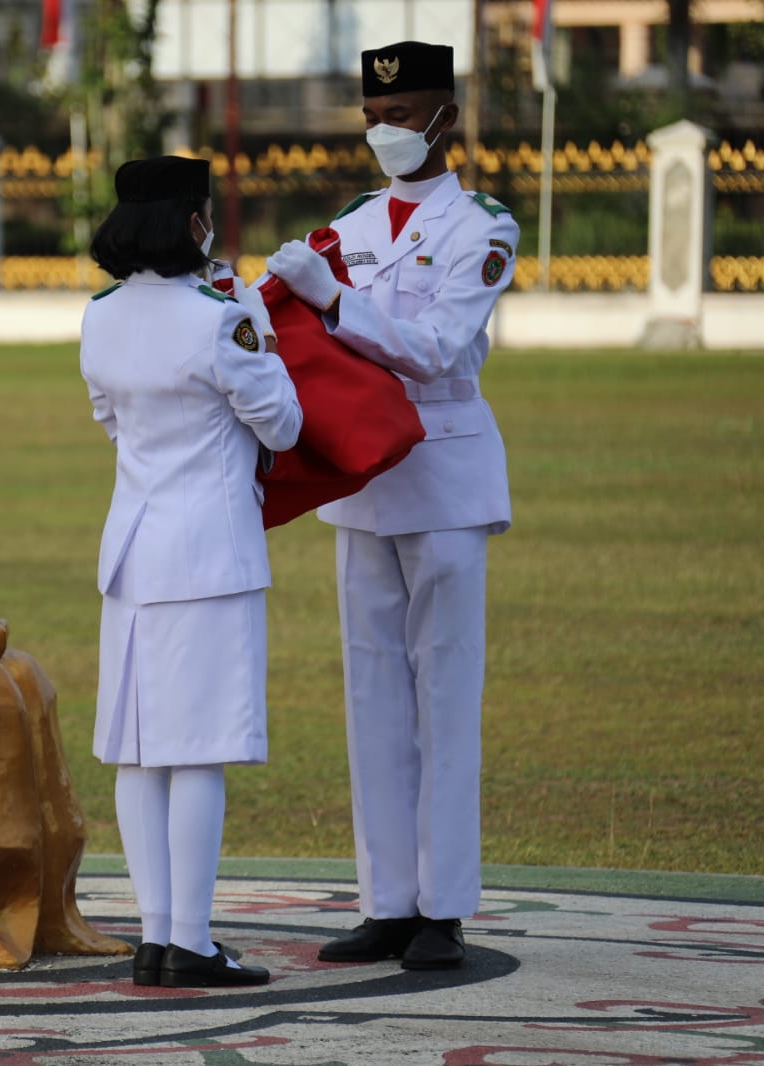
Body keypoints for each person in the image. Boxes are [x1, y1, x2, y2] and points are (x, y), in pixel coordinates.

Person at [263, 41, 518, 970]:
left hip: (444, 470)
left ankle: (442, 908)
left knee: (443, 693)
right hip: (359, 475)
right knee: (372, 694)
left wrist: (336, 304)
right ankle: (386, 903)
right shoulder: (353, 223)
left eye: (402, 115)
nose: (384, 132)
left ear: (445, 118)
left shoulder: (481, 227)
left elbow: (441, 347)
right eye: (373, 116)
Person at [80, 156, 303, 988]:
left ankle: (154, 936)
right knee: (196, 752)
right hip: (208, 550)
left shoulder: (98, 315)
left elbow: (110, 421)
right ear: (193, 223)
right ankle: (193, 942)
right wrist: (256, 318)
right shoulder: (219, 317)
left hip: (133, 549)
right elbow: (280, 426)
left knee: (139, 754)